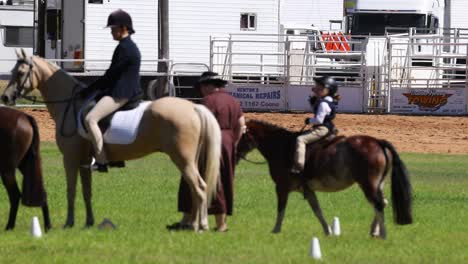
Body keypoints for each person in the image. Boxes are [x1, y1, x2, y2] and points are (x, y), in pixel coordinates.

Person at [168, 72, 245, 232]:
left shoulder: (206, 102)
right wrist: (232, 144)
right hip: (228, 141)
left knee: (192, 178)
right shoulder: (234, 101)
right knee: (224, 182)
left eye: (202, 87)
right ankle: (221, 224)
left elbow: (197, 126)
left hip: (208, 141)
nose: (201, 90)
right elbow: (240, 126)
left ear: (209, 85)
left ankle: (188, 220)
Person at [83, 9, 142, 172]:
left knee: (90, 119)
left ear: (123, 28)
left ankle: (101, 162)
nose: (111, 32)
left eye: (113, 29)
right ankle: (115, 157)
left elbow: (110, 76)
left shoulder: (125, 48)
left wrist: (88, 90)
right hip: (121, 90)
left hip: (122, 93)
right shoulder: (126, 46)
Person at [291, 76, 340, 174]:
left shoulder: (323, 103)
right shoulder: (328, 101)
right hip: (328, 127)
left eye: (320, 88)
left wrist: (309, 120)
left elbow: (319, 120)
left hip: (322, 128)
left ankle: (299, 167)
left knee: (300, 139)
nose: (316, 89)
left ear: (328, 90)